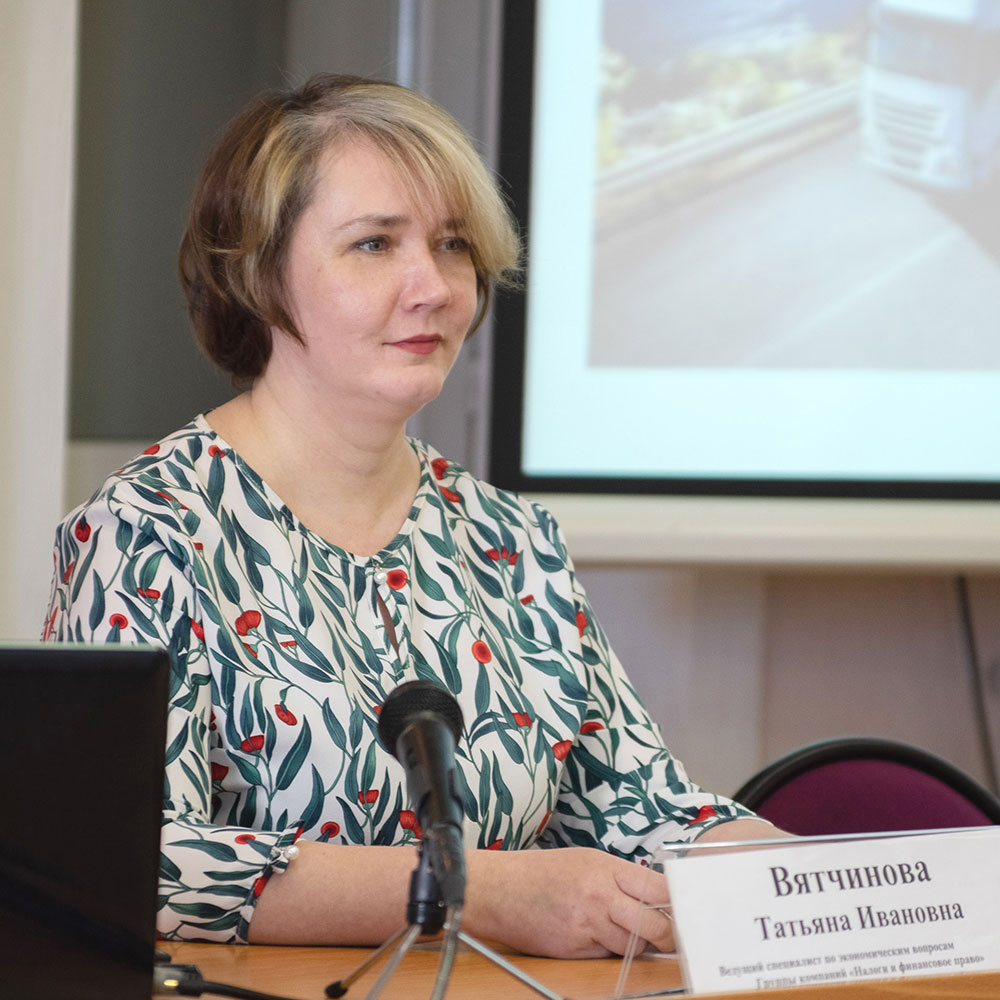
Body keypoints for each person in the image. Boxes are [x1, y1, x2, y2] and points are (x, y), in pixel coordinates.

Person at [43, 74, 782, 959]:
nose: (432, 285)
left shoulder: (509, 539)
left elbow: (643, 811)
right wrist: (483, 892)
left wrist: (829, 882)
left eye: (452, 244)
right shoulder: (148, 527)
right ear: (258, 273)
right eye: (374, 244)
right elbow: (134, 861)